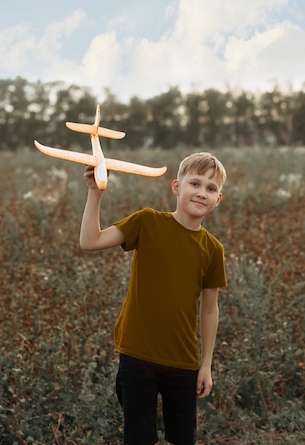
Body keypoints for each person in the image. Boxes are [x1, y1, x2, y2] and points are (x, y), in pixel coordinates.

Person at [79, 152, 228, 445]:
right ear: (176, 187)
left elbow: (209, 311)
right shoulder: (147, 222)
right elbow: (89, 241)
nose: (201, 193)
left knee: (183, 439)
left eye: (211, 188)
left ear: (218, 199)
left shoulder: (213, 249)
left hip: (183, 361)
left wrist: (206, 364)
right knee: (139, 438)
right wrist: (95, 193)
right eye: (195, 183)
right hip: (137, 355)